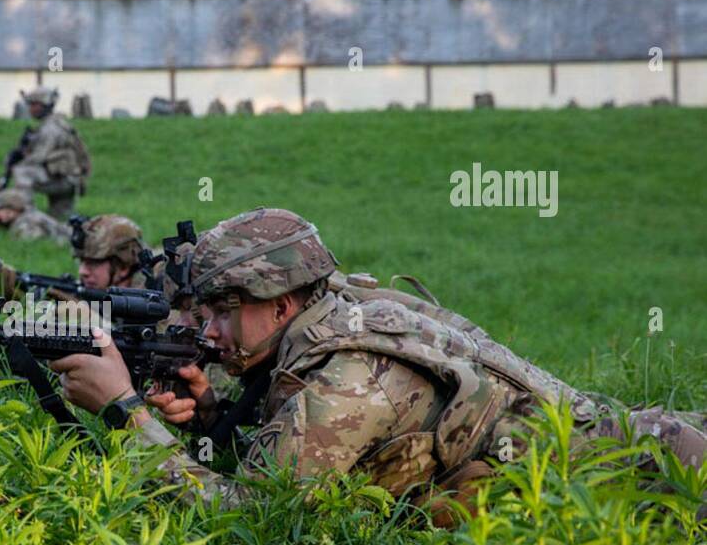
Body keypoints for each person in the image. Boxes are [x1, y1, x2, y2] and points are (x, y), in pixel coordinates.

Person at [51, 207, 706, 524]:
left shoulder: (347, 380)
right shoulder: (336, 308)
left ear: (280, 306)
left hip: (647, 482)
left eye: (223, 312)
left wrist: (125, 412)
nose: (207, 331)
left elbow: (250, 520)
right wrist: (218, 413)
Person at [3, 87, 92, 220]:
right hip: (70, 179)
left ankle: (24, 215)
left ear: (45, 106)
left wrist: (14, 163)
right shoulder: (60, 124)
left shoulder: (50, 128)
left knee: (22, 171)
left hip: (62, 179)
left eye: (34, 104)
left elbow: (38, 158)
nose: (31, 109)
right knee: (60, 218)